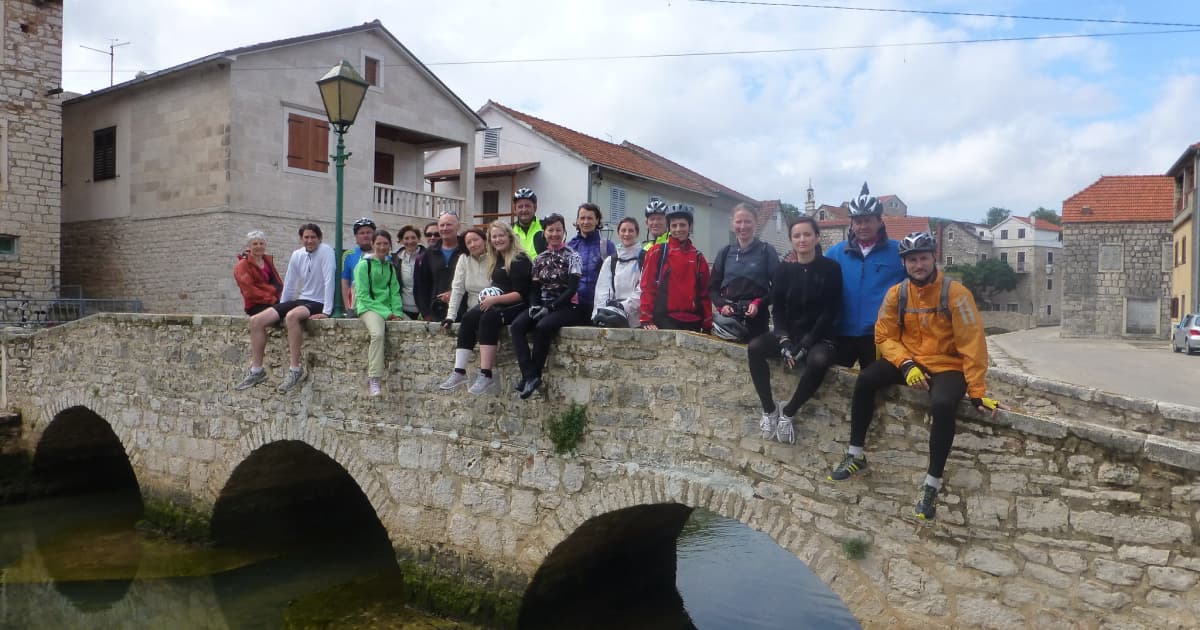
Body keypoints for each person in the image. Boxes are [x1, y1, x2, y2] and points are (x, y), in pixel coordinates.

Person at [828, 232, 1004, 520]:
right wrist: (906, 364)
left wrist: (977, 391)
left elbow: (973, 344)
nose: (918, 265)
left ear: (933, 258)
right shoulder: (897, 294)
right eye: (912, 260)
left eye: (923, 258)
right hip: (909, 360)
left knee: (943, 404)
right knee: (866, 378)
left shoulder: (956, 294)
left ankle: (931, 483)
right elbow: (883, 335)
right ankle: (855, 453)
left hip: (947, 364)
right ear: (904, 263)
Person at [746, 217, 842, 443]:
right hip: (790, 332)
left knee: (818, 361)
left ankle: (788, 412)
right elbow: (777, 309)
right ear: (791, 240)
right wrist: (784, 340)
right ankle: (769, 409)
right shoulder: (783, 271)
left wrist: (807, 343)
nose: (802, 240)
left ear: (816, 237)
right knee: (755, 348)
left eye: (807, 234)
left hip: (820, 335)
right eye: (797, 236)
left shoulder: (831, 269)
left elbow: (830, 311)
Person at [234, 223, 335, 393]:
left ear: (319, 238)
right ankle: (256, 370)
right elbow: (289, 283)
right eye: (306, 237)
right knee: (256, 321)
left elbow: (329, 279)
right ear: (301, 239)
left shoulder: (326, 251)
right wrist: (280, 307)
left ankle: (295, 369)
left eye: (313, 237)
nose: (309, 241)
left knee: (292, 317)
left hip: (319, 301)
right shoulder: (297, 254)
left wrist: (327, 311)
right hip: (303, 298)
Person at [439, 222, 533, 394]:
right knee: (468, 317)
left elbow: (521, 294)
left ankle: (486, 374)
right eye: (494, 237)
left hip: (517, 305)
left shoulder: (519, 259)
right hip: (497, 300)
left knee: (488, 319)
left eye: (501, 236)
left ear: (509, 236)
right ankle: (459, 372)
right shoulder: (496, 258)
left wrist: (494, 299)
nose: (497, 240)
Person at [824, 182, 906, 368]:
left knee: (874, 388)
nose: (863, 226)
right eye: (858, 221)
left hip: (878, 335)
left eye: (868, 220)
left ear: (879, 222)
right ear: (852, 224)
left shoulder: (898, 252)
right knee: (833, 383)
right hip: (842, 331)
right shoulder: (836, 253)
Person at [510, 213, 582, 399]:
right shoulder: (540, 258)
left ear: (564, 231)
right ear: (545, 233)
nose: (555, 234)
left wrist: (550, 308)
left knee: (542, 327)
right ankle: (529, 375)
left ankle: (534, 374)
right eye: (551, 230)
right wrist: (534, 305)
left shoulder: (573, 256)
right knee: (517, 326)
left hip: (566, 305)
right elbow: (535, 288)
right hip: (542, 304)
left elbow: (572, 289)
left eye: (558, 230)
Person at [709, 203, 779, 342]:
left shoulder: (766, 251)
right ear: (732, 223)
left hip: (757, 322)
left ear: (756, 222)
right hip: (728, 322)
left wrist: (758, 303)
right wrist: (722, 305)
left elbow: (778, 288)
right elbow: (712, 288)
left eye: (747, 221)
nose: (743, 226)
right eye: (738, 221)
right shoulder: (725, 252)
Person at [639, 204, 712, 332]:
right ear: (669, 228)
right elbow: (647, 287)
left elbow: (705, 294)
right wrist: (646, 319)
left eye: (682, 225)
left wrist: (707, 324)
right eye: (674, 225)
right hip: (664, 320)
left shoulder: (698, 257)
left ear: (690, 226)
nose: (678, 229)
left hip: (693, 321)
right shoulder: (657, 252)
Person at [354, 229, 404, 397]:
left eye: (385, 244)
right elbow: (363, 296)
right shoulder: (363, 265)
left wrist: (396, 312)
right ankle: (374, 378)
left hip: (388, 308)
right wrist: (388, 314)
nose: (382, 247)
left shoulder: (390, 267)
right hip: (369, 308)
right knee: (377, 334)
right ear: (373, 245)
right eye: (378, 244)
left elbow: (395, 293)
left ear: (390, 245)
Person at [567, 203, 616, 323]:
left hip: (599, 305)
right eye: (582, 218)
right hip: (574, 305)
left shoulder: (606, 246)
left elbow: (614, 276)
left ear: (597, 220)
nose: (585, 222)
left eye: (590, 218)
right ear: (577, 221)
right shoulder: (570, 246)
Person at [592, 217, 643, 327]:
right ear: (618, 233)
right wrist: (602, 312)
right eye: (623, 230)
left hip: (638, 320)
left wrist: (623, 306)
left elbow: (643, 289)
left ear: (637, 233)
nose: (627, 234)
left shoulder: (645, 258)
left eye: (631, 230)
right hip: (613, 318)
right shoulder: (610, 261)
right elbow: (602, 290)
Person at [415, 211, 465, 322]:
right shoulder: (429, 253)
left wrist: (454, 293)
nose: (445, 228)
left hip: (464, 311)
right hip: (436, 313)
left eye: (449, 224)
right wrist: (426, 313)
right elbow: (421, 286)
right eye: (442, 225)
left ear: (458, 226)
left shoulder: (467, 250)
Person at [233, 230, 283, 316]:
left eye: (261, 243)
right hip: (255, 305)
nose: (259, 246)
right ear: (249, 247)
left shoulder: (267, 262)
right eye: (255, 244)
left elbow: (277, 282)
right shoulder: (242, 265)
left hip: (272, 301)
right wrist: (271, 299)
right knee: (284, 315)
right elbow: (249, 291)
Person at [341, 217, 376, 316]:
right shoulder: (349, 255)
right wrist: (348, 308)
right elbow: (345, 283)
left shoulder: (385, 254)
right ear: (356, 237)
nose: (365, 235)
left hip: (378, 303)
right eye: (362, 233)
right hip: (356, 304)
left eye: (369, 232)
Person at [391, 225, 425, 321]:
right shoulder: (396, 259)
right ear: (401, 241)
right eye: (406, 238)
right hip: (403, 309)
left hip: (423, 310)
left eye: (413, 238)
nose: (410, 241)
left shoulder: (427, 257)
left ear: (418, 239)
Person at [512, 187, 547, 257]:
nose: (524, 210)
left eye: (527, 206)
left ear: (535, 207)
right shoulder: (509, 230)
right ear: (515, 209)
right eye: (520, 207)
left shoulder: (545, 226)